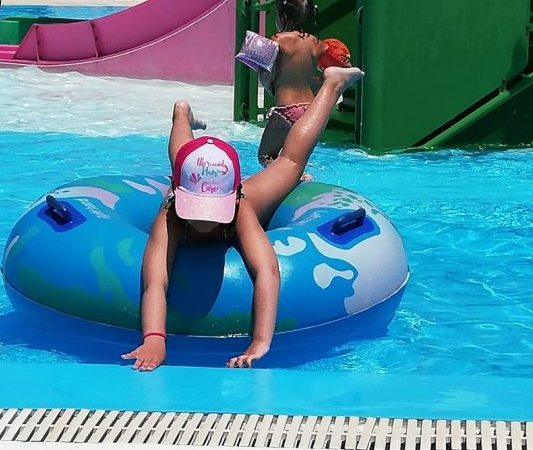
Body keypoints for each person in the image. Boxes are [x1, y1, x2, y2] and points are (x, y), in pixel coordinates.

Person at [122, 65, 364, 371]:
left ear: (234, 195)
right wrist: (155, 338)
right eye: (196, 208)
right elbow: (155, 282)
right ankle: (182, 113)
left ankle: (332, 85)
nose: (204, 220)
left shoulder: (241, 208)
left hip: (225, 192)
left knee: (291, 162)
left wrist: (261, 341)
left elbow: (267, 271)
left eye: (212, 208)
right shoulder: (170, 214)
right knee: (183, 158)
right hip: (189, 182)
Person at [257, 0, 328, 167]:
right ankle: (301, 178)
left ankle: (287, 180)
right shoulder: (317, 44)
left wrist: (269, 85)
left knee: (266, 155)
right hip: (310, 109)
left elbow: (264, 76)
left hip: (286, 109)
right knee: (295, 159)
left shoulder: (278, 40)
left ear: (283, 16)